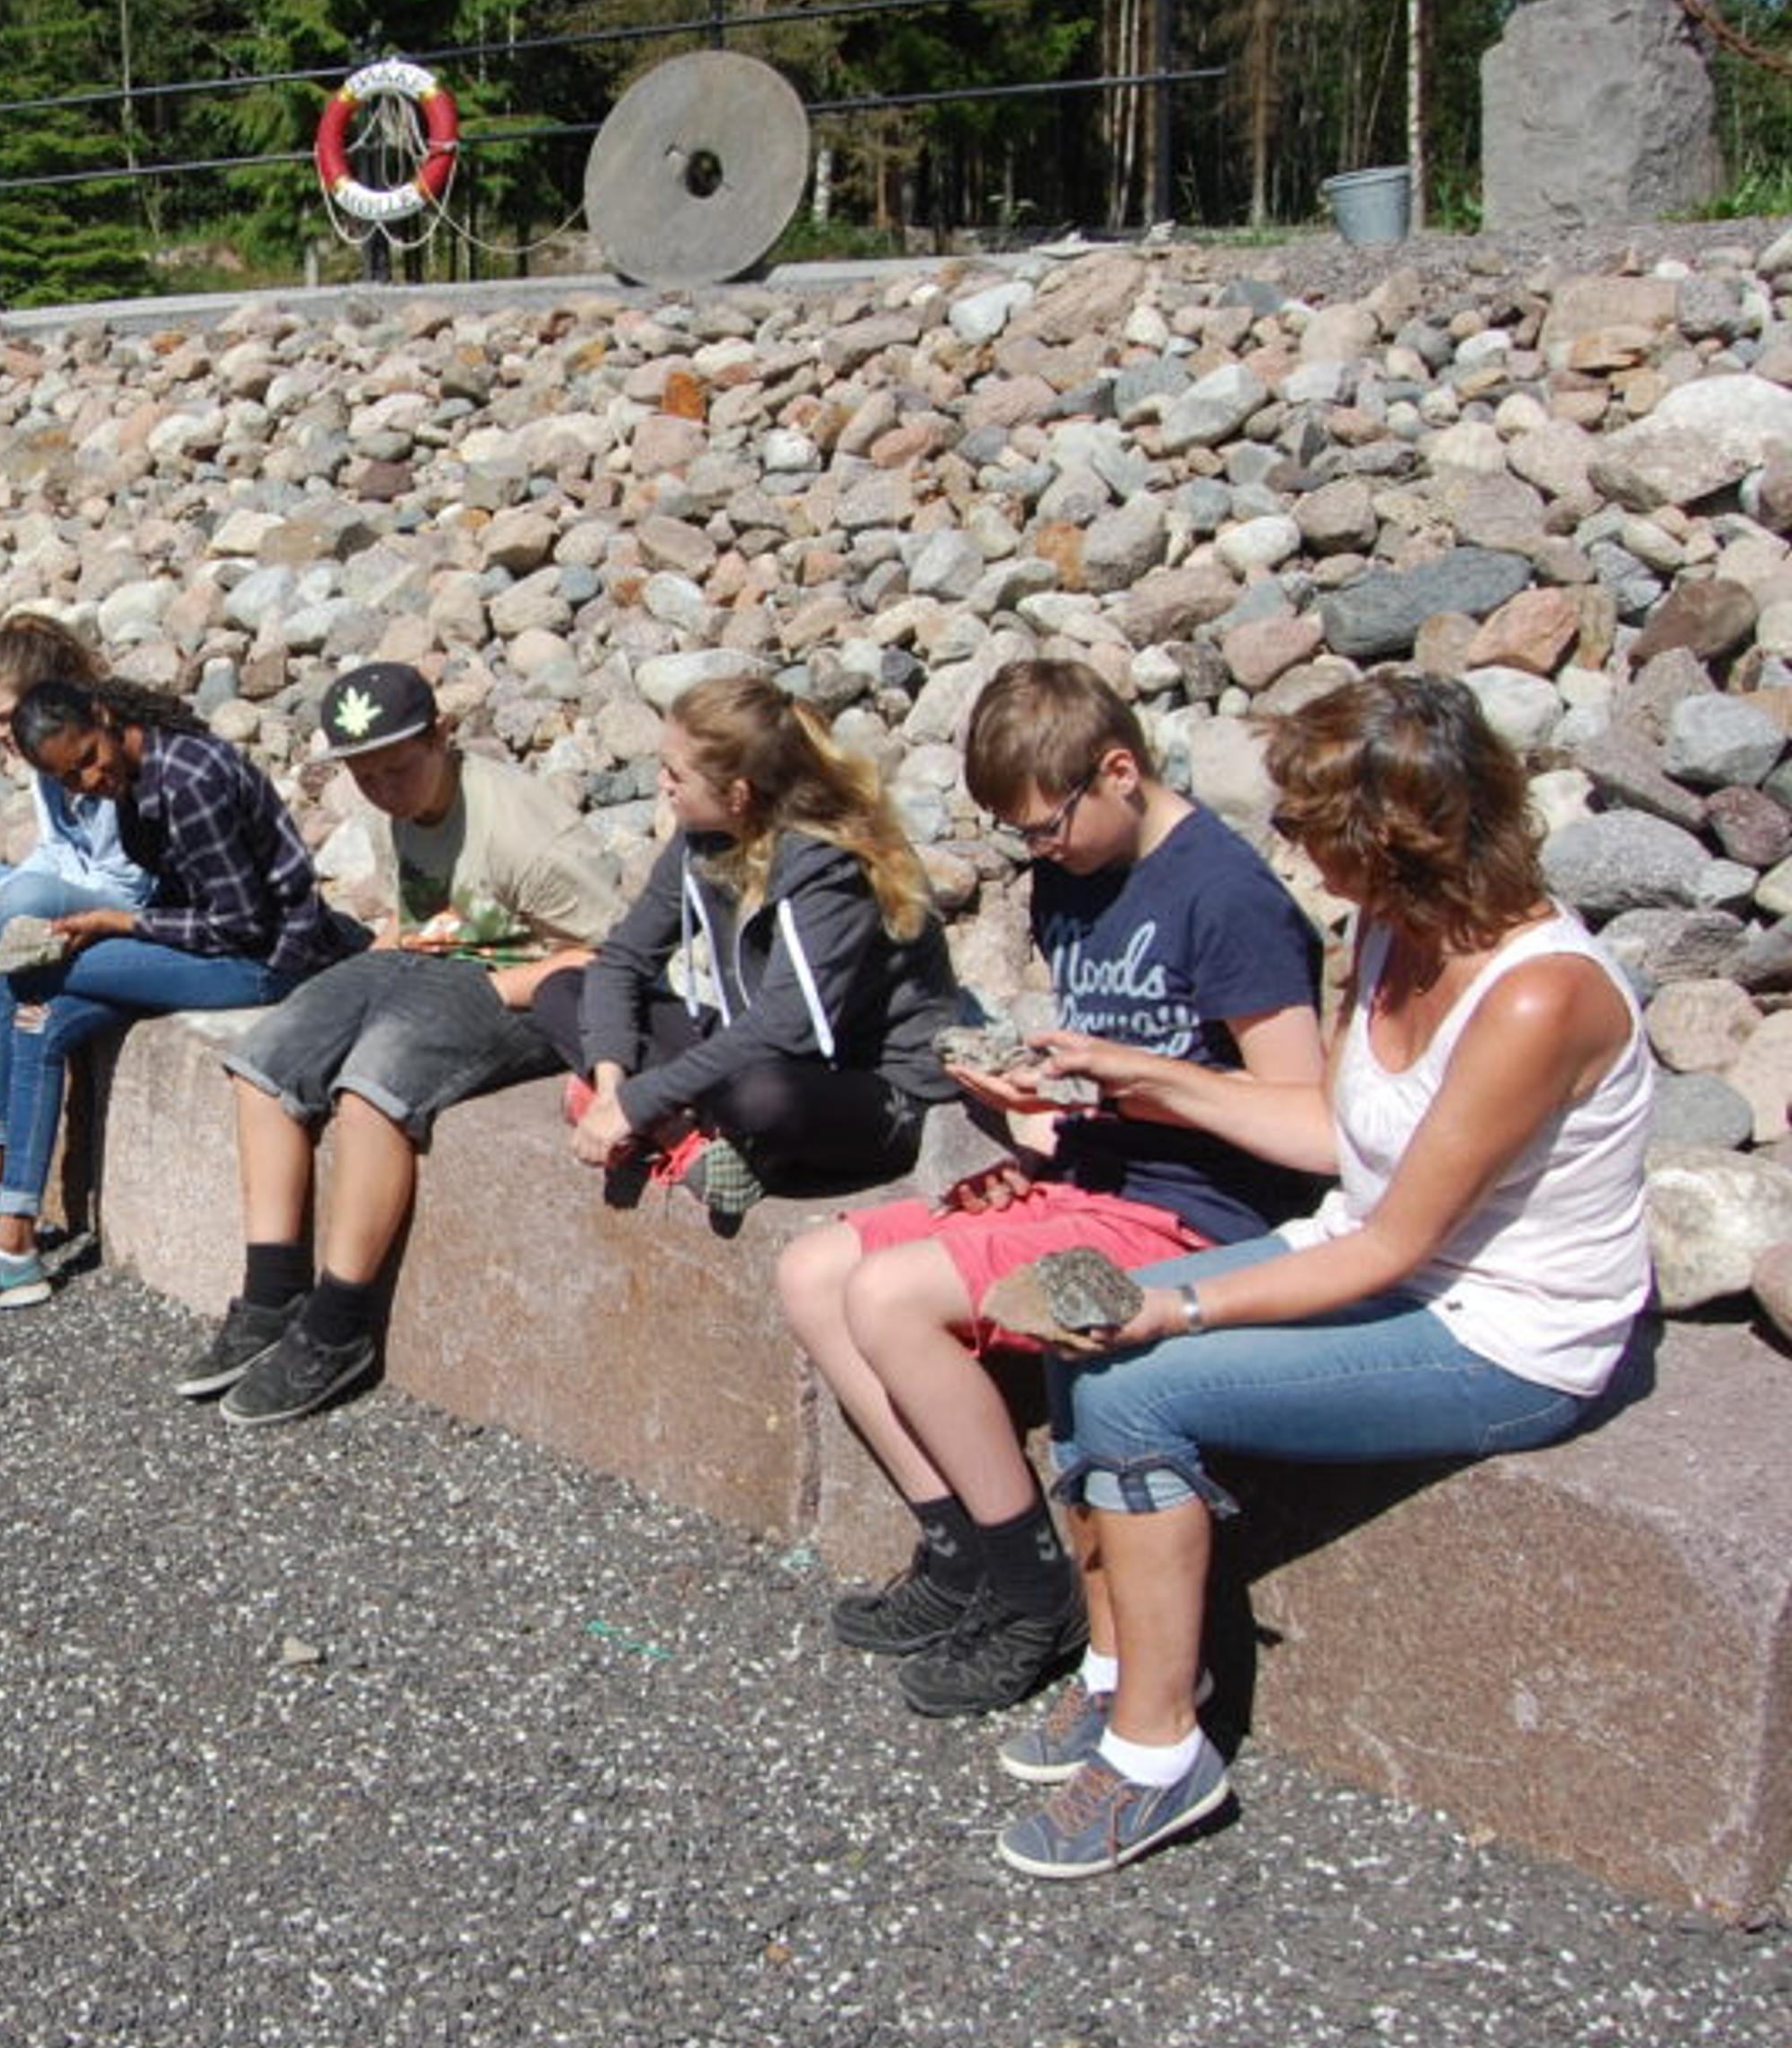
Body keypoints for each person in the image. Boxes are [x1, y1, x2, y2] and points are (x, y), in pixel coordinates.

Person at [987, 672, 1650, 1878]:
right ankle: (1124, 1661)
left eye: (1306, 827)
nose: (1291, 850)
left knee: (1137, 1378)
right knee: (1084, 1331)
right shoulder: (1389, 929)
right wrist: (1141, 1075)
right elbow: (1335, 1137)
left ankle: (1159, 1753)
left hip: (1506, 1331)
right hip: (1387, 1257)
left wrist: (1176, 1303)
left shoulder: (1540, 994)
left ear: (1389, 839)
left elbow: (1395, 1244)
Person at [774, 660, 1325, 1721]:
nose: (1036, 852)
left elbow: (1300, 1114)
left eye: (1043, 826)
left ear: (1118, 771)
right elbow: (1100, 1072)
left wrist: (1121, 1094)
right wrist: (1033, 1127)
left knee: (889, 1296)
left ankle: (1036, 1593)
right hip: (1090, 1174)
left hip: (1196, 1212)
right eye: (1017, 834)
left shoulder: (1227, 897)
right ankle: (959, 1554)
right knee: (812, 1271)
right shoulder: (1075, 872)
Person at [184, 662, 620, 1426]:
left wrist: (496, 989)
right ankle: (271, 1295)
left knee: (374, 1087)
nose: (383, 789)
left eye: (397, 769)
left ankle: (338, 1325)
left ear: (441, 735)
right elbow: (411, 915)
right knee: (267, 1059)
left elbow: (613, 955)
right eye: (366, 776)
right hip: (422, 959)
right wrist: (356, 986)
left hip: (519, 985)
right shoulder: (403, 801)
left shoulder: (524, 835)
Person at [0, 678, 367, 1319]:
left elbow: (241, 925)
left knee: (26, 971)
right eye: (69, 777)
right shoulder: (131, 776)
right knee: (41, 1013)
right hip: (204, 944)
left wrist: (119, 925)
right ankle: (12, 1242)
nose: (89, 780)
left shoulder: (188, 779)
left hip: (268, 961)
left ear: (103, 716)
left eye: (88, 759)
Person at [566, 672, 957, 1217]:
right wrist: (614, 1088)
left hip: (868, 1086)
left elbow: (785, 1027)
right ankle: (686, 1136)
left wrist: (640, 1100)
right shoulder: (704, 836)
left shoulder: (829, 866)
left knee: (759, 1098)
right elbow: (622, 961)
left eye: (676, 773)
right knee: (564, 989)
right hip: (757, 1043)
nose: (662, 784)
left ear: (737, 795)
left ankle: (693, 1132)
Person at [0, 612, 151, 977]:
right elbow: (55, 849)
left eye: (5, 718)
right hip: (73, 885)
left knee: (27, 898)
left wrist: (11, 902)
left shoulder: (101, 764)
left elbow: (125, 887)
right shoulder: (43, 765)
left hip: (119, 904)